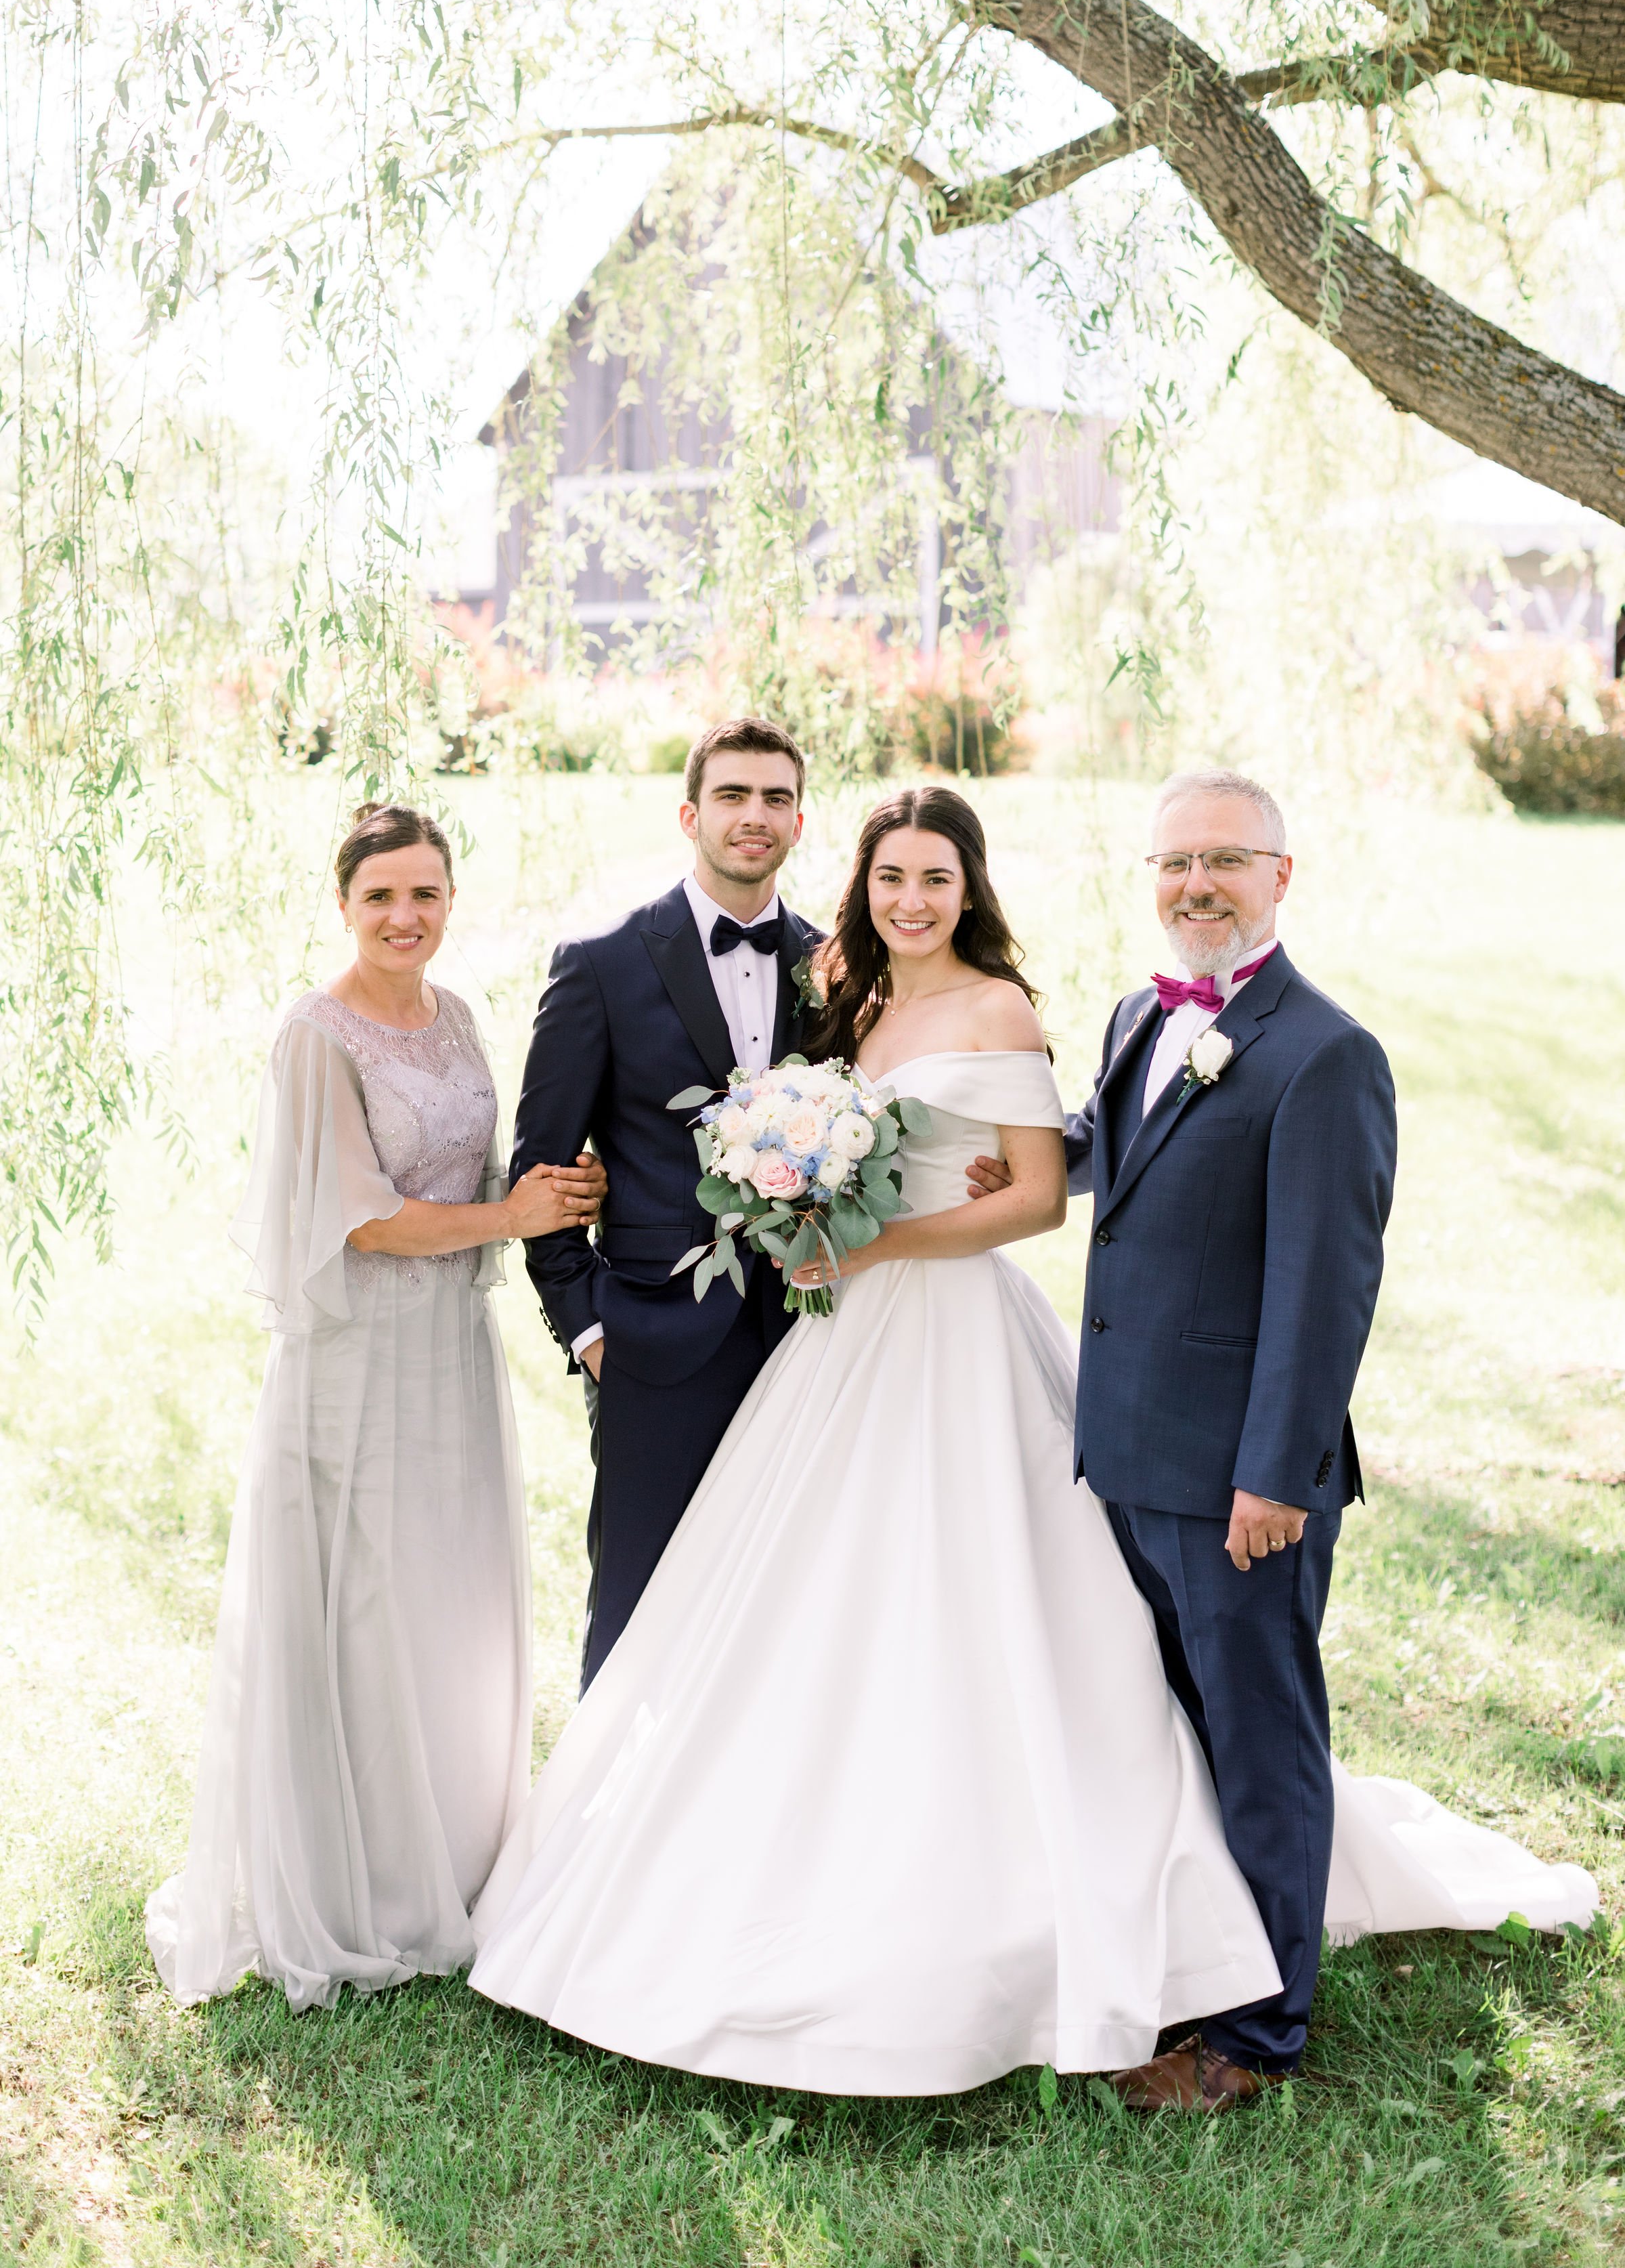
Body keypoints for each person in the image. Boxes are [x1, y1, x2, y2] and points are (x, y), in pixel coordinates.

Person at [471, 780, 1595, 2101]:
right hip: (875, 1354)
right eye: (891, 877)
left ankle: (1246, 2008)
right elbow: (1056, 1148)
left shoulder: (1201, 1036)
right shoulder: (984, 1009)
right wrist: (803, 1199)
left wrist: (883, 1232)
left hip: (1047, 1374)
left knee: (1118, 1655)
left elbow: (1127, 1223)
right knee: (845, 1613)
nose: (912, 899)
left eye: (936, 877)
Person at [969, 767, 1595, 2110]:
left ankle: (1259, 2037)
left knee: (1258, 1737)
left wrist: (1278, 1472)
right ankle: (1204, 1964)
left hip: (1231, 1476)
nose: (1195, 885)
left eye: (1225, 861)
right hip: (1123, 1447)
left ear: (1280, 878)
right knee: (1174, 1728)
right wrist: (1012, 1159)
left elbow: (1326, 1289)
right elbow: (1113, 1151)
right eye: (1174, 863)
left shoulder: (1326, 1055)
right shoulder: (1144, 1012)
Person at [146, 802, 603, 2012]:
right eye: (381, 897)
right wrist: (514, 1220)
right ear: (344, 905)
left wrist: (560, 1189)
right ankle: (355, 1885)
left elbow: (471, 1170)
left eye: (428, 894)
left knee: (447, 1594)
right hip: (355, 1357)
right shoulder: (316, 1034)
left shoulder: (455, 1018)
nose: (407, 917)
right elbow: (363, 1217)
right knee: (359, 1598)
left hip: (450, 1349)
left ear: (452, 900)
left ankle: (449, 1857)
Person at [508, 716, 823, 1686]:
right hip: (650, 1338)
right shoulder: (601, 964)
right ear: (692, 813)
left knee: (789, 1608)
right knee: (637, 1615)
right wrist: (587, 1328)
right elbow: (542, 1172)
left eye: (775, 798)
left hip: (810, 1342)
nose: (753, 816)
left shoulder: (835, 964)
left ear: (800, 822)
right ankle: (605, 1836)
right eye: (733, 795)